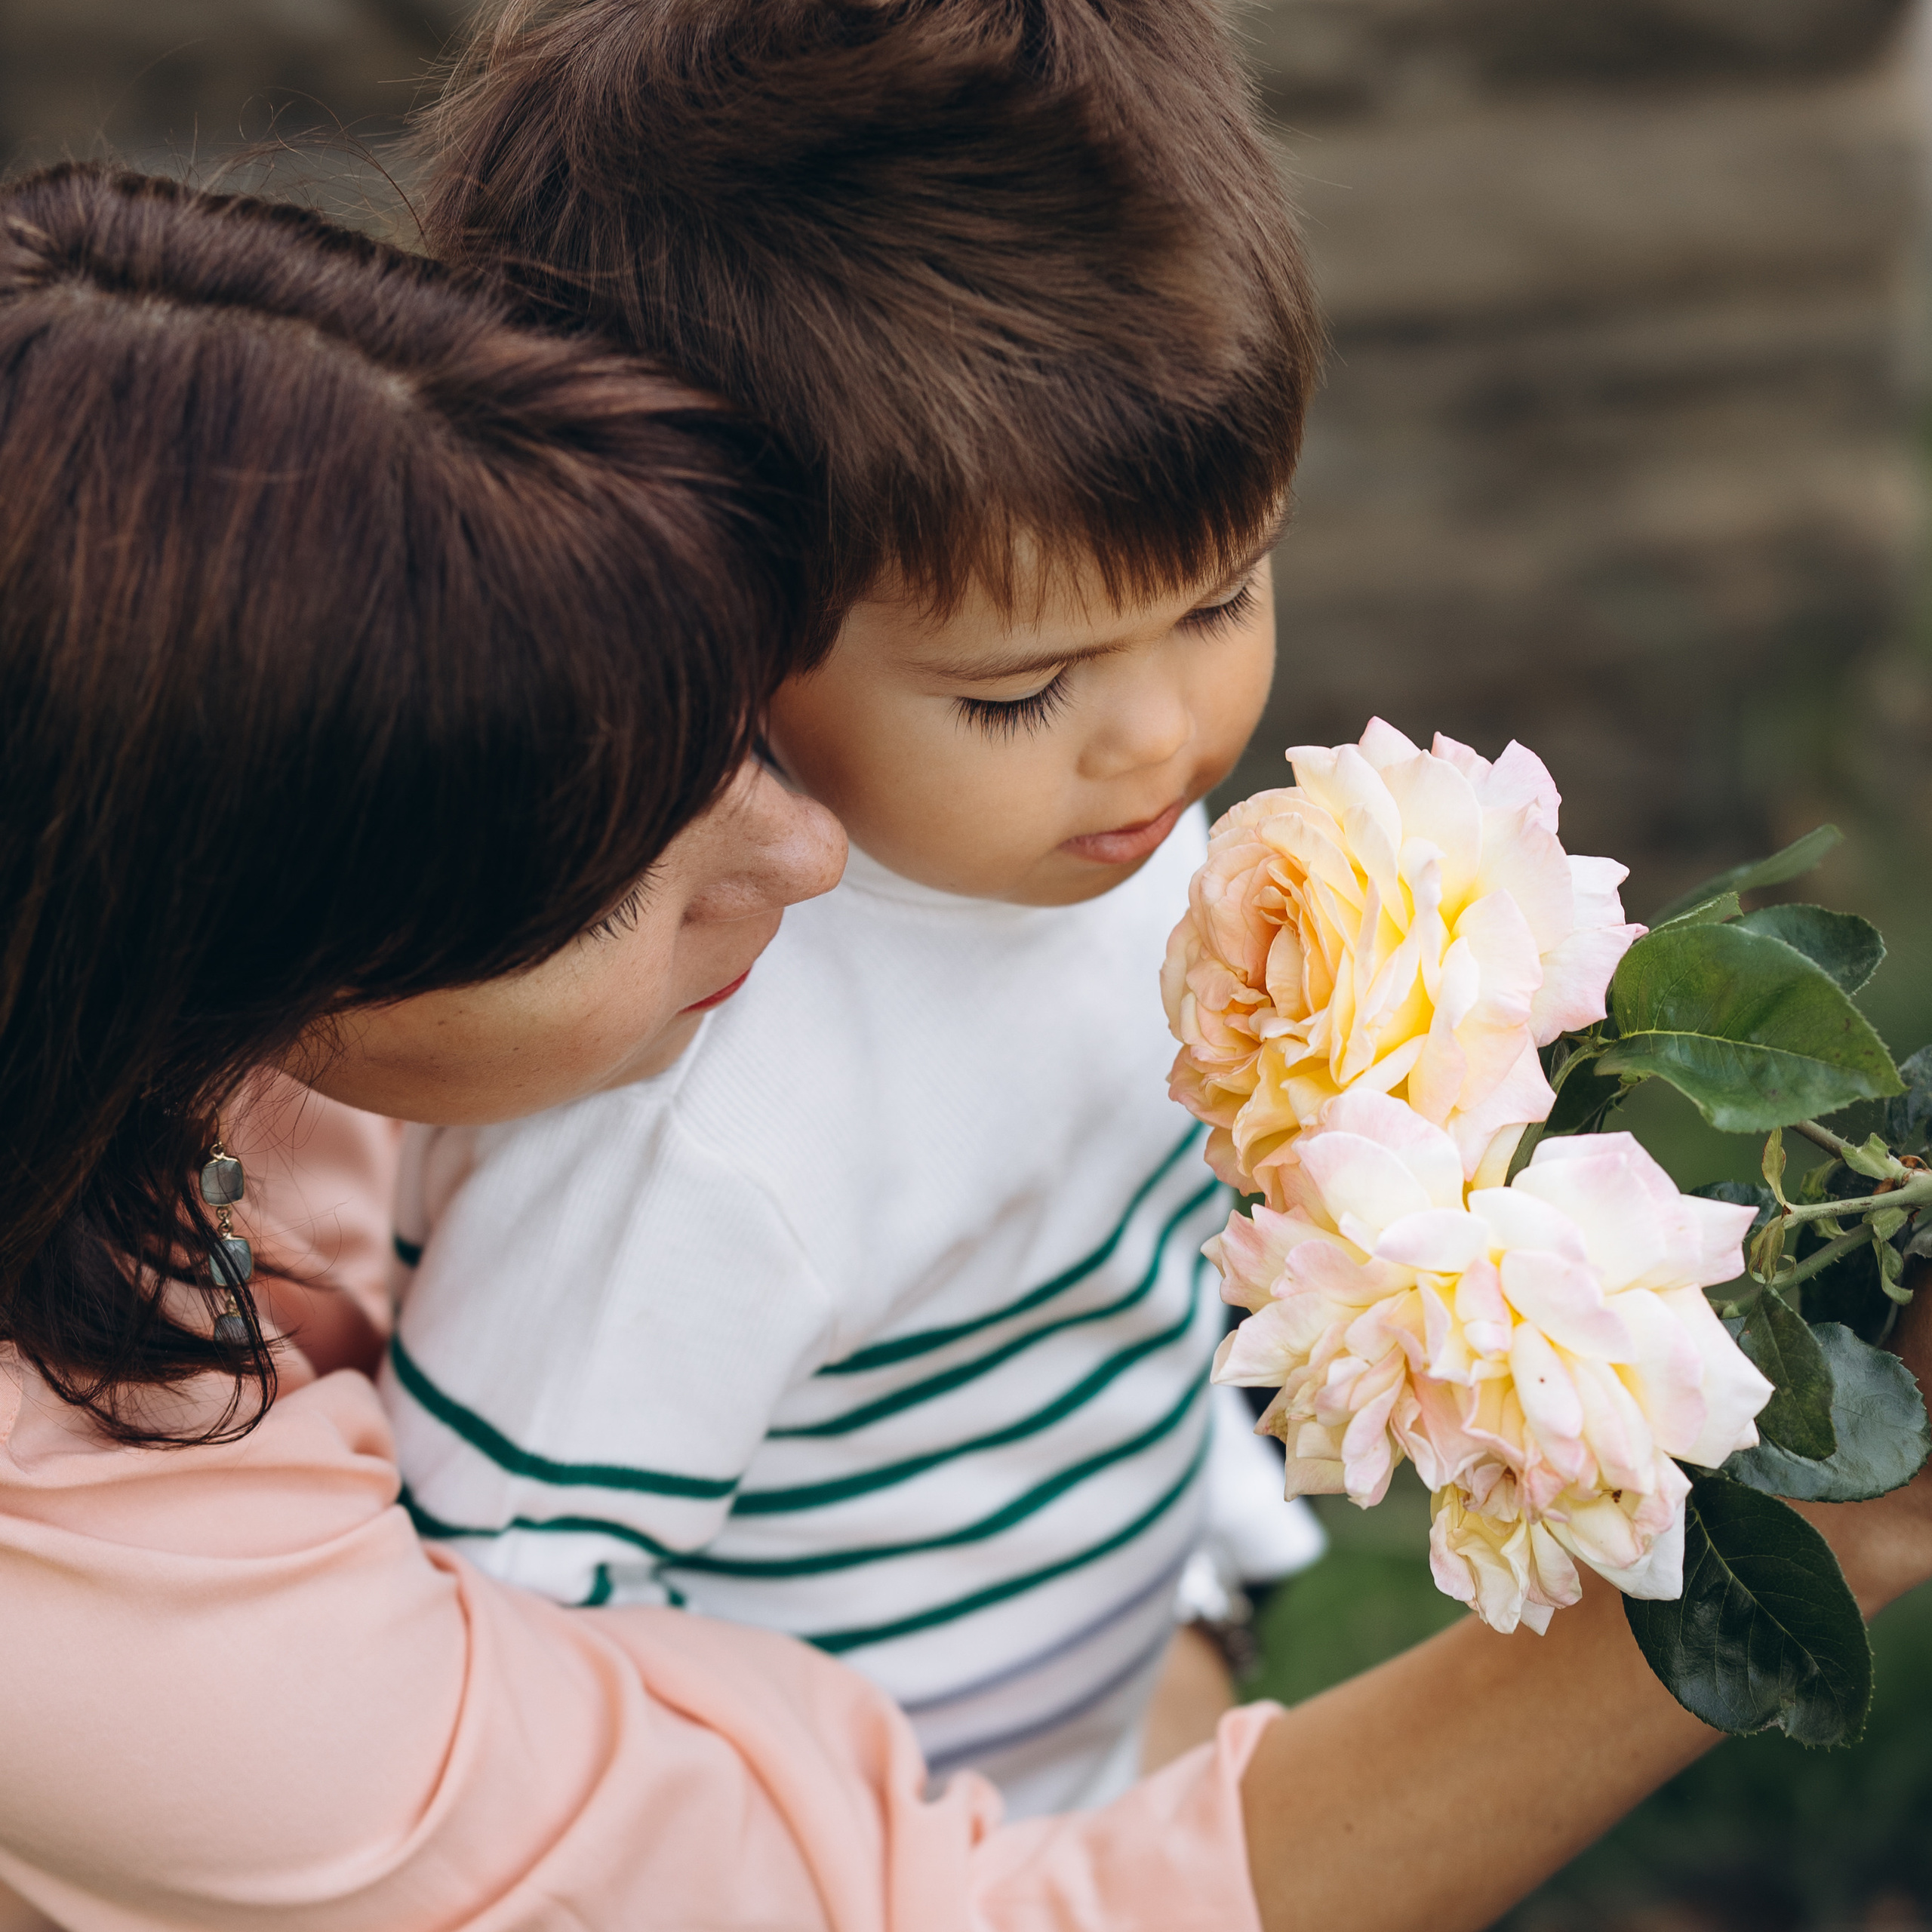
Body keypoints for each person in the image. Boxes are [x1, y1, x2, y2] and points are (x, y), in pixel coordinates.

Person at [3, 160, 1932, 1932]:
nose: (813, 851)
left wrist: (1198, 1591)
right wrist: (1837, 1525)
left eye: (733, 727)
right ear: (198, 951)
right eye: (613, 868)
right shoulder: (145, 1646)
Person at [385, 0, 1327, 1812]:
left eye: (1223, 598)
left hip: (1099, 1752)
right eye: (1012, 691)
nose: (1160, 741)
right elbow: (497, 1635)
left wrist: (1207, 1580)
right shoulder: (696, 1111)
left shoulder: (1094, 846)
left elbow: (1097, 1289)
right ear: (707, 619)